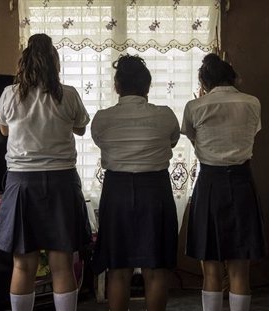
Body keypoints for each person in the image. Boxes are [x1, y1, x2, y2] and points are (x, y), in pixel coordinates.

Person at [0, 33, 91, 311]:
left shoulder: (10, 94)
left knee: (23, 265)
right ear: (54, 62)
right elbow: (81, 127)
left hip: (22, 183)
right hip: (61, 181)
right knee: (62, 263)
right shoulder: (68, 94)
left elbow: (3, 129)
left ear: (24, 62)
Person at [90, 54, 180, 311]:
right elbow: (171, 141)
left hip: (116, 192)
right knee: (156, 269)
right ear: (147, 86)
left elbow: (100, 142)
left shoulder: (102, 118)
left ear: (117, 86)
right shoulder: (165, 116)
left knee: (118, 269)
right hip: (155, 191)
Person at [182, 53, 265, 311]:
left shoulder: (195, 107)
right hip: (242, 182)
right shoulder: (252, 103)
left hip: (209, 183)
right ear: (232, 77)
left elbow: (194, 139)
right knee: (240, 269)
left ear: (204, 82)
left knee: (211, 268)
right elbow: (252, 134)